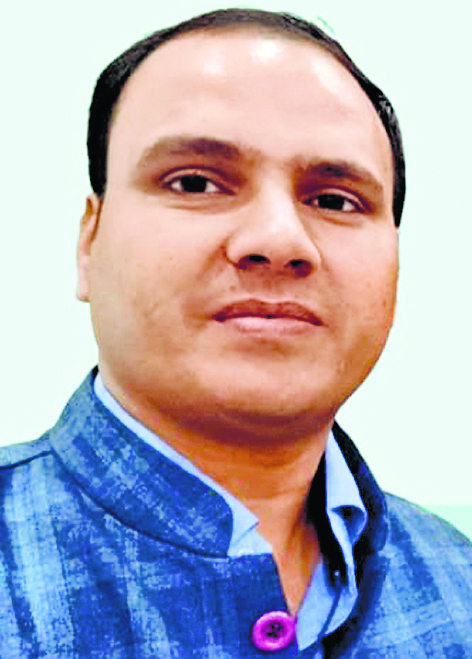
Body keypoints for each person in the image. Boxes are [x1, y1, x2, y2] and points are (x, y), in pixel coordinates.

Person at [1, 8, 471, 658]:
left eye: (334, 200)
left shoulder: (458, 581)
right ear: (90, 241)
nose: (279, 239)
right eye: (195, 183)